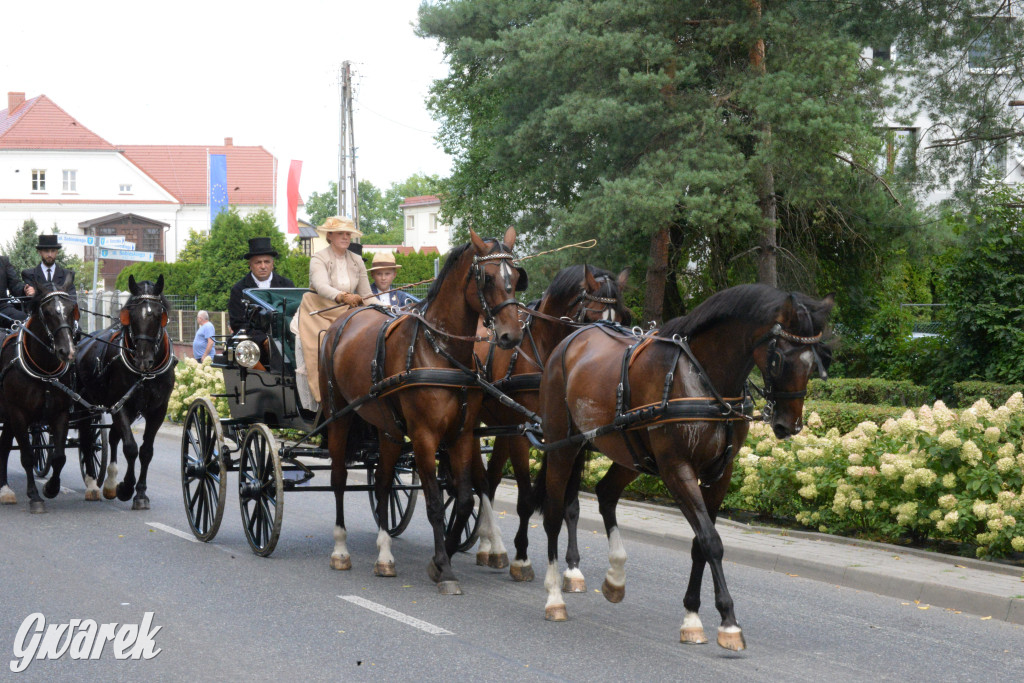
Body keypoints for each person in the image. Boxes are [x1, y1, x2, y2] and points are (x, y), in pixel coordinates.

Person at [291, 216, 371, 405]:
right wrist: (343, 296)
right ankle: (323, 398)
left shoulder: (357, 260)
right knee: (320, 351)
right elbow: (321, 286)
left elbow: (367, 295)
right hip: (316, 312)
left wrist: (387, 308)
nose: (345, 237)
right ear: (330, 236)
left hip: (346, 313)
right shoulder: (319, 258)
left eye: (348, 234)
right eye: (340, 233)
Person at [228, 236, 294, 366]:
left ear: (272, 264)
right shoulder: (239, 289)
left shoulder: (287, 285)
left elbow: (294, 315)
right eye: (258, 262)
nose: (263, 266)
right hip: (252, 343)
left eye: (267, 262)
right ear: (250, 265)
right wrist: (264, 340)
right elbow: (238, 324)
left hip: (285, 338)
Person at [0, 253, 29, 325]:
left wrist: (25, 289)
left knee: (22, 317)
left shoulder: (3, 261)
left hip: (2, 307)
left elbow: (15, 285)